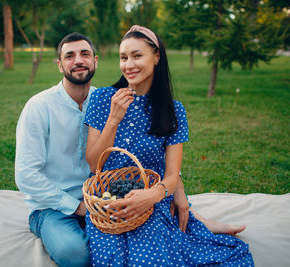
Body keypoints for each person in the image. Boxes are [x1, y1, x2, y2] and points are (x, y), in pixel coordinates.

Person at [84, 25, 254, 266]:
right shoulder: (103, 98)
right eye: (123, 57)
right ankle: (200, 222)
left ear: (156, 57)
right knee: (110, 260)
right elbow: (92, 162)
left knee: (148, 261)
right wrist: (113, 120)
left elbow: (173, 175)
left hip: (150, 203)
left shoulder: (174, 111)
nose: (128, 65)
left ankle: (198, 225)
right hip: (106, 207)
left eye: (137, 55)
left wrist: (151, 196)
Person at [15, 33, 98, 267]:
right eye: (69, 56)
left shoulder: (103, 102)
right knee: (74, 254)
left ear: (95, 60)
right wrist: (77, 207)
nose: (78, 60)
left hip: (98, 199)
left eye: (85, 54)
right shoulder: (39, 107)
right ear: (60, 65)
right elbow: (26, 175)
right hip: (51, 205)